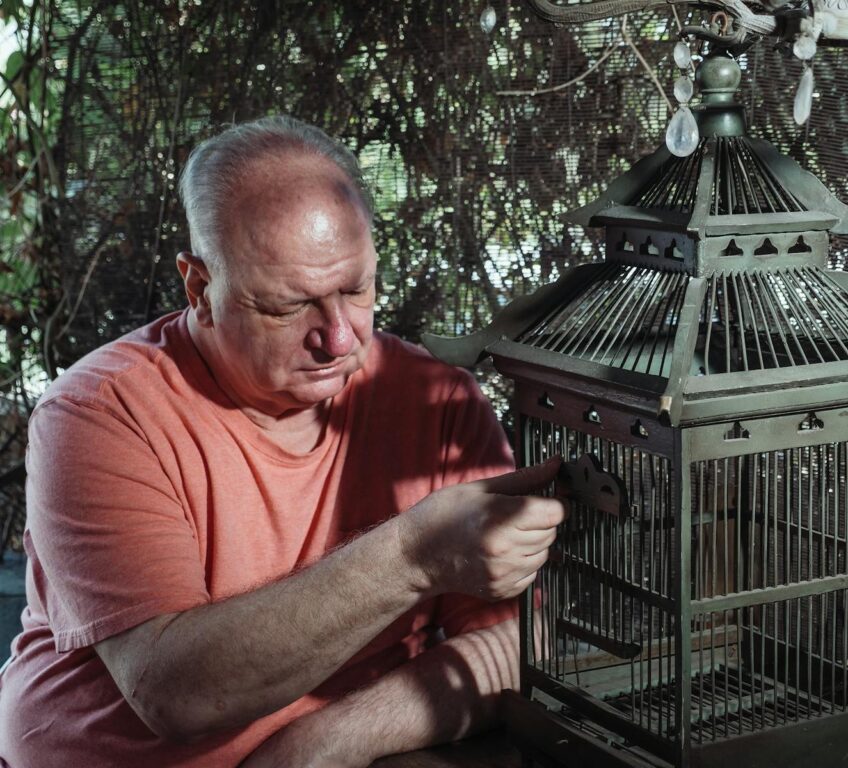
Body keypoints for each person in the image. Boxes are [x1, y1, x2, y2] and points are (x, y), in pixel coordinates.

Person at [0, 116, 564, 767]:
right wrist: (413, 553)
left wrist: (320, 744)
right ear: (200, 289)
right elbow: (175, 693)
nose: (340, 338)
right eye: (288, 306)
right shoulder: (97, 412)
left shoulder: (435, 402)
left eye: (356, 289)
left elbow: (521, 644)